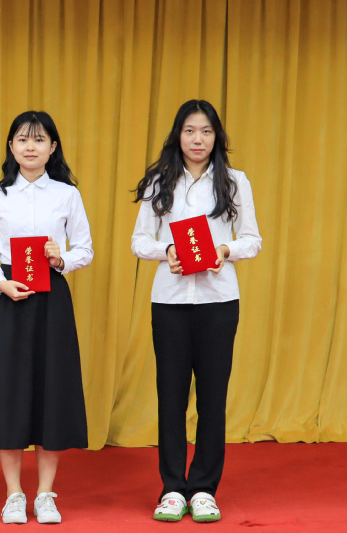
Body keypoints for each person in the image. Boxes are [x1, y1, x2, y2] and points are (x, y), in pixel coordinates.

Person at [131, 99, 262, 523]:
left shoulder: (235, 181)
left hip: (218, 302)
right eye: (190, 130)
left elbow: (253, 240)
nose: (198, 139)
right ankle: (172, 488)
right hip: (169, 302)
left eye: (206, 131)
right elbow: (139, 241)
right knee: (170, 396)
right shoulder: (159, 181)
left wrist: (225, 249)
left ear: (216, 136)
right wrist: (167, 250)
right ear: (178, 135)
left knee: (212, 396)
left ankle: (204, 488)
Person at [0, 111, 93, 524]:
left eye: (39, 140)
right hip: (9, 299)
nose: (30, 146)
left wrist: (61, 258)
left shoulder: (67, 195)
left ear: (53, 147)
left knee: (51, 390)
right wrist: (0, 283)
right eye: (22, 139)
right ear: (11, 146)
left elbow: (85, 249)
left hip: (52, 300)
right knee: (10, 391)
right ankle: (14, 493)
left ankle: (46, 494)